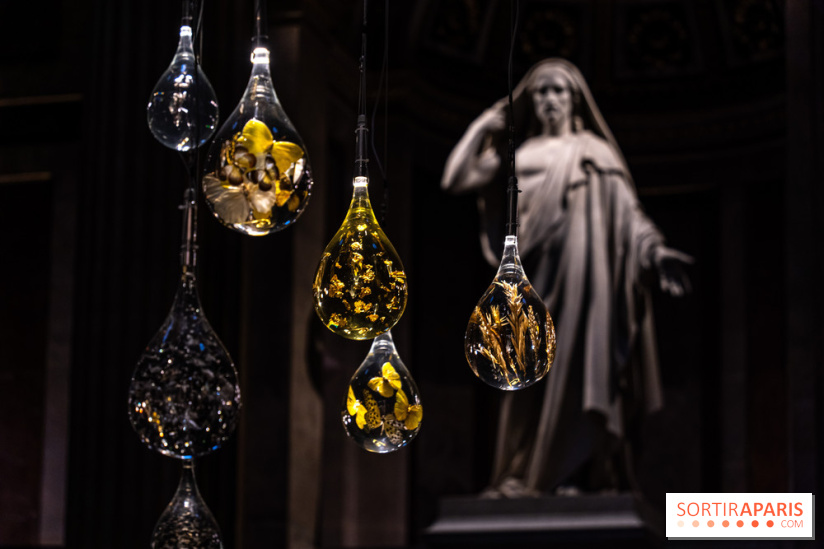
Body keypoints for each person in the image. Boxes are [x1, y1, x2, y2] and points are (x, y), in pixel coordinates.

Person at [442, 58, 692, 497]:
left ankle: (577, 475)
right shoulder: (519, 154)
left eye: (559, 91)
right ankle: (519, 473)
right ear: (530, 100)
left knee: (583, 371)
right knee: (526, 374)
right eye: (541, 92)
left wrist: (655, 252)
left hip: (589, 288)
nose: (550, 100)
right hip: (533, 282)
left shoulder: (596, 153)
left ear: (575, 99)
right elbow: (455, 179)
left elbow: (631, 218)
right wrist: (483, 124)